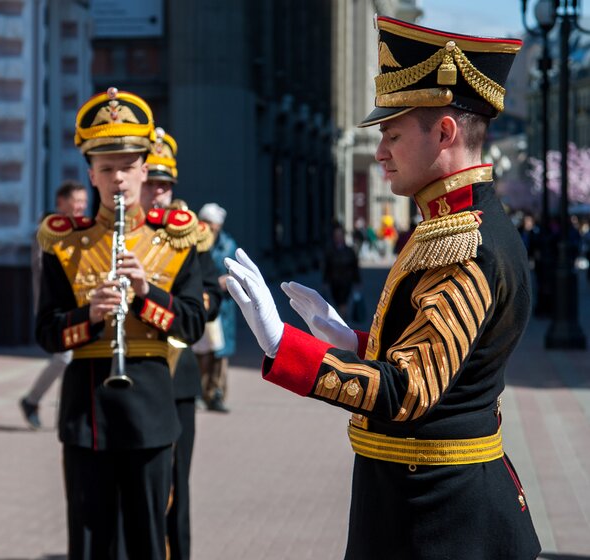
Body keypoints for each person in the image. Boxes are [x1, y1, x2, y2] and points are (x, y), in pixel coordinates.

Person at [223, 17, 540, 559]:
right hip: (426, 503)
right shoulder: (452, 225)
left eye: (392, 135)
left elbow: (410, 390)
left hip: (438, 517)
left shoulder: (467, 245)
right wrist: (354, 341)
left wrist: (287, 348)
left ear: (444, 132)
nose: (381, 152)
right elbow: (444, 359)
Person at [35, 87, 206, 560]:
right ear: (90, 173)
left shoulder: (174, 242)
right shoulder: (64, 244)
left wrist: (146, 294)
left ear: (144, 170)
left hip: (150, 404)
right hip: (87, 408)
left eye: (127, 168)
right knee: (91, 540)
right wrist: (88, 316)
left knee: (149, 537)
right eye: (106, 169)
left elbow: (191, 324)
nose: (117, 180)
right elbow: (47, 331)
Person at [141, 128, 222, 560]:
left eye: (165, 184)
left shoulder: (188, 233)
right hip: (133, 372)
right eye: (151, 182)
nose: (157, 192)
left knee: (175, 484)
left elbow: (207, 297)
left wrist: (167, 302)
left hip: (177, 374)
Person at [20, 180, 89, 429]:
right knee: (64, 357)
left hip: (79, 305)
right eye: (76, 201)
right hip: (56, 307)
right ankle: (35, 400)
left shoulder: (81, 229)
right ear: (61, 203)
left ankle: (43, 402)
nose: (81, 205)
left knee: (69, 357)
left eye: (83, 200)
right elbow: (43, 272)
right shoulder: (49, 231)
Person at [194, 203, 238, 413]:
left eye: (216, 226)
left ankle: (216, 394)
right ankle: (199, 392)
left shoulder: (227, 245)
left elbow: (238, 271)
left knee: (220, 353)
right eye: (210, 226)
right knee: (200, 351)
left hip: (222, 306)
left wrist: (228, 280)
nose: (213, 230)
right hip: (201, 303)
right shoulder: (194, 242)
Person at [322, 224, 360, 320]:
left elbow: (355, 266)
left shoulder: (349, 251)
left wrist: (357, 281)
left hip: (346, 281)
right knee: (337, 301)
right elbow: (327, 267)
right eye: (336, 236)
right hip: (334, 281)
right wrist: (325, 282)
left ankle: (343, 318)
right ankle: (341, 316)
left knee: (343, 301)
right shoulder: (330, 251)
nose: (338, 238)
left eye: (340, 235)